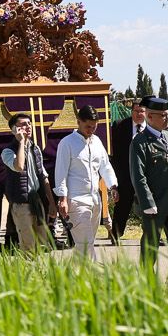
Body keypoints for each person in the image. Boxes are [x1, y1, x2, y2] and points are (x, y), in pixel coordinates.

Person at [130, 96, 168, 266]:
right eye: (163, 115)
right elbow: (138, 175)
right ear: (150, 116)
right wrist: (147, 203)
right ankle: (147, 280)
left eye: (167, 114)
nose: (167, 118)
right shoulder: (140, 142)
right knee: (151, 248)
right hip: (154, 206)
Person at [54, 102, 119, 260]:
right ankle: (93, 272)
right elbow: (61, 172)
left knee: (86, 244)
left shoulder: (97, 141)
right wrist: (62, 198)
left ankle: (76, 273)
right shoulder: (67, 143)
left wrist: (113, 186)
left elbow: (105, 166)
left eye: (94, 127)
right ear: (78, 122)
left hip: (95, 199)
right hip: (76, 199)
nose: (91, 130)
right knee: (85, 243)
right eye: (87, 126)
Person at [0, 112, 53, 251]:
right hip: (21, 203)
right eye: (23, 124)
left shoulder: (35, 148)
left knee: (42, 243)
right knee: (27, 244)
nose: (28, 126)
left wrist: (52, 203)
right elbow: (19, 166)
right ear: (14, 129)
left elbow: (43, 176)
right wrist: (21, 142)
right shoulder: (7, 151)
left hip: (37, 201)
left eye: (29, 123)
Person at [108, 99, 143, 242]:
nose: (139, 114)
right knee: (123, 204)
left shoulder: (151, 128)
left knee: (149, 205)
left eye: (142, 111)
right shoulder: (120, 125)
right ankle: (115, 234)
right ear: (131, 111)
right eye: (136, 111)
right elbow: (113, 152)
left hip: (145, 174)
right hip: (125, 174)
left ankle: (152, 235)